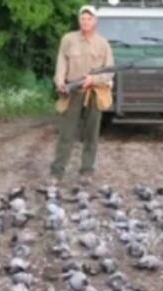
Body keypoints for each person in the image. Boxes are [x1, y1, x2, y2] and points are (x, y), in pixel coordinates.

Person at [50, 5, 115, 182]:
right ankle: (57, 171)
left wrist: (92, 80)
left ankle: (86, 171)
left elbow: (109, 71)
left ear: (95, 21)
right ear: (79, 20)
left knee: (91, 133)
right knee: (66, 133)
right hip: (73, 90)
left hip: (94, 92)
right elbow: (61, 62)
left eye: (89, 19)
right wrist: (60, 81)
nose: (86, 22)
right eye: (83, 19)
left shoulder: (103, 44)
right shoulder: (68, 39)